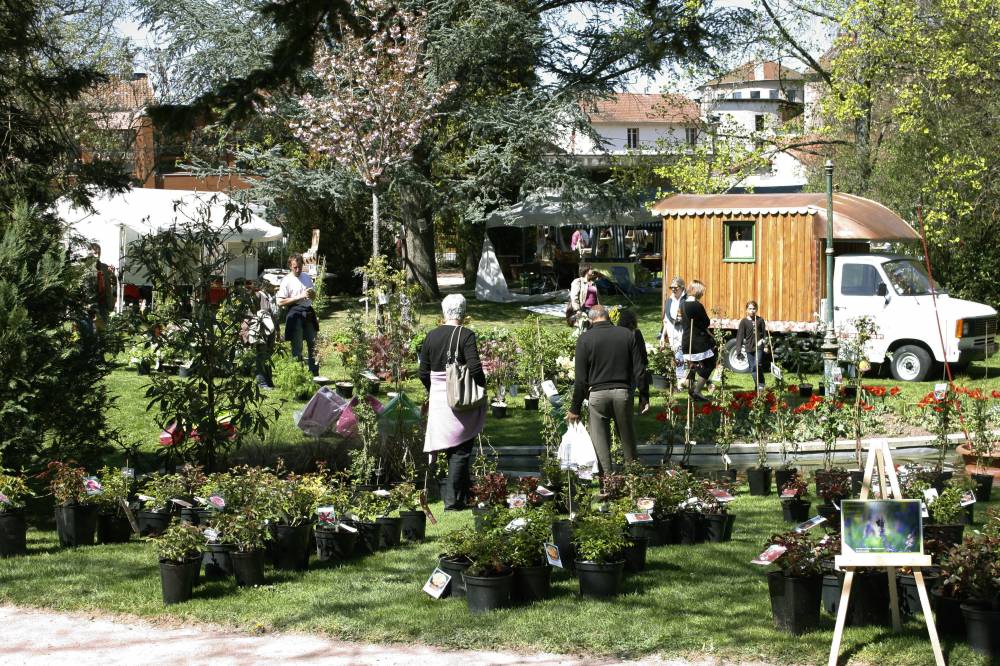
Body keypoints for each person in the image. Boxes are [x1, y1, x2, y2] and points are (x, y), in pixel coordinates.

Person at [420, 294, 486, 511]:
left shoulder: (431, 336)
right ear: (464, 312)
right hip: (459, 398)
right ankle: (452, 501)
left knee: (452, 448)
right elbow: (475, 367)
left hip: (439, 398)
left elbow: (423, 372)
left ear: (443, 312)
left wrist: (435, 390)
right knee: (461, 450)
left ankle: (464, 495)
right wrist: (481, 388)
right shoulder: (466, 334)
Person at [567, 305, 649, 479]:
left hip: (597, 396)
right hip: (623, 393)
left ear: (591, 320)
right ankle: (633, 480)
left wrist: (574, 408)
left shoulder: (585, 339)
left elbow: (581, 379)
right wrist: (644, 396)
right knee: (628, 440)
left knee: (600, 443)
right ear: (608, 317)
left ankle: (607, 482)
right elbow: (640, 369)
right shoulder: (627, 334)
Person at [276, 254, 319, 375]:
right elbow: (280, 302)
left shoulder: (307, 277)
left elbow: (313, 297)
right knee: (297, 346)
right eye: (295, 267)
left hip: (308, 312)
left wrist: (312, 295)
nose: (298, 270)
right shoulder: (286, 280)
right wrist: (300, 296)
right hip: (295, 314)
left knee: (313, 345)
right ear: (290, 266)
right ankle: (298, 376)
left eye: (300, 267)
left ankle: (314, 374)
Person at [680, 280, 716, 401]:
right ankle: (697, 390)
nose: (702, 293)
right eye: (701, 291)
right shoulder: (696, 305)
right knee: (710, 363)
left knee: (695, 364)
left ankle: (687, 382)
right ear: (695, 290)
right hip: (697, 340)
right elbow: (706, 322)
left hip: (686, 339)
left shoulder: (683, 304)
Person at [241, 280, 278, 388]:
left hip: (268, 329)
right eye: (272, 285)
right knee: (261, 355)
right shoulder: (258, 295)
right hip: (260, 329)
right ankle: (261, 382)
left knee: (267, 355)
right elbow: (254, 309)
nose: (275, 287)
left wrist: (277, 330)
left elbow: (271, 314)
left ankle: (268, 381)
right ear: (267, 286)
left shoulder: (268, 296)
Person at [735, 300, 769, 391]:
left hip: (759, 347)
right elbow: (740, 337)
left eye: (754, 309)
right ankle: (758, 386)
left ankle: (761, 384)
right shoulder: (744, 322)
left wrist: (766, 345)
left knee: (757, 364)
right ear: (746, 310)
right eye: (750, 309)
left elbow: (764, 334)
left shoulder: (760, 320)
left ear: (756, 309)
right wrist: (738, 351)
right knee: (752, 368)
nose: (752, 310)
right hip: (749, 348)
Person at [660, 277, 688, 384]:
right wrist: (663, 336)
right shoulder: (669, 301)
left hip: (683, 334)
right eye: (671, 287)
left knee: (680, 356)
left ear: (681, 288)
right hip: (672, 335)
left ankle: (680, 380)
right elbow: (666, 321)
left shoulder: (686, 301)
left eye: (675, 288)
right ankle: (682, 380)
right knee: (678, 357)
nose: (673, 290)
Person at [617, 309, 650, 397]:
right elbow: (642, 351)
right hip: (634, 367)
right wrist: (645, 363)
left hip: (621, 368)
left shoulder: (617, 333)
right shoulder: (636, 333)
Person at [569, 265, 599, 330]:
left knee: (594, 329)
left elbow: (596, 297)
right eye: (591, 269)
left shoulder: (593, 283)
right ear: (586, 270)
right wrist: (577, 309)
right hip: (584, 309)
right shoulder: (578, 281)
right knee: (583, 329)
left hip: (594, 309)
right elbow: (574, 296)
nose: (593, 270)